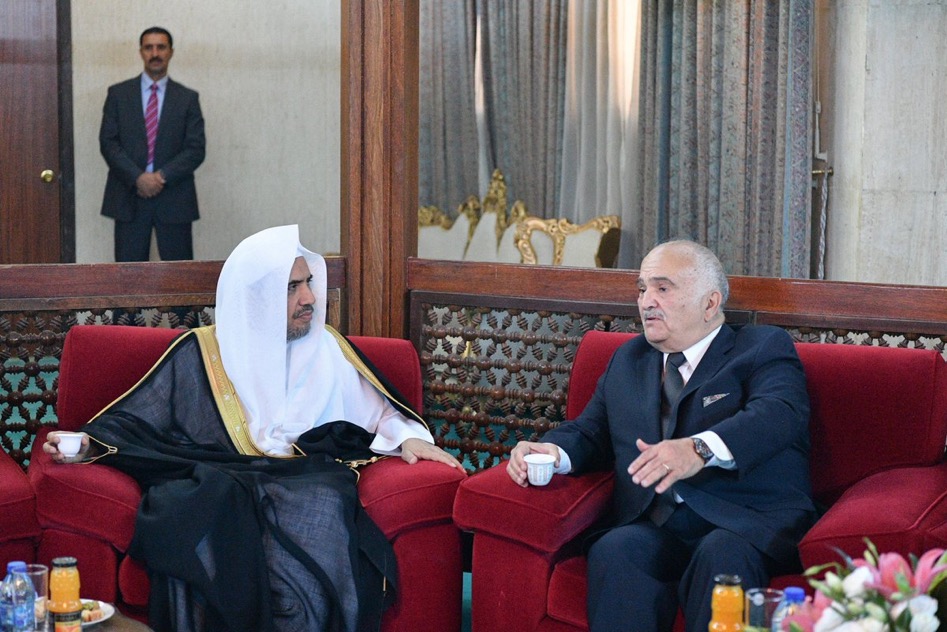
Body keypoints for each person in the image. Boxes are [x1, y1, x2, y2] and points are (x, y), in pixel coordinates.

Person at [43, 224, 461, 632]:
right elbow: (138, 419)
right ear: (255, 296)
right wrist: (86, 442)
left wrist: (408, 438)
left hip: (301, 481)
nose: (309, 298)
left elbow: (382, 414)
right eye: (292, 287)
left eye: (309, 283)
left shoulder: (327, 350)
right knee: (206, 501)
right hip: (222, 478)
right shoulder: (204, 351)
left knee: (324, 499)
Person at [506, 240, 816, 632]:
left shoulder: (760, 347)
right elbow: (592, 431)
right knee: (617, 549)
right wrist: (552, 450)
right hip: (655, 522)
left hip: (740, 522)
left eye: (662, 289)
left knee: (722, 557)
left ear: (710, 303)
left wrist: (698, 449)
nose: (646, 301)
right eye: (641, 289)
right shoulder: (628, 359)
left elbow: (778, 413)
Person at [99, 26, 206, 262]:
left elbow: (195, 149)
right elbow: (108, 142)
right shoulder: (118, 94)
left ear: (171, 52)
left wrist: (160, 177)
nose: (155, 53)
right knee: (129, 280)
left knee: (180, 280)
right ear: (141, 52)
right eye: (149, 47)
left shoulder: (188, 98)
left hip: (175, 196)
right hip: (129, 196)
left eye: (161, 47)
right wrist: (138, 177)